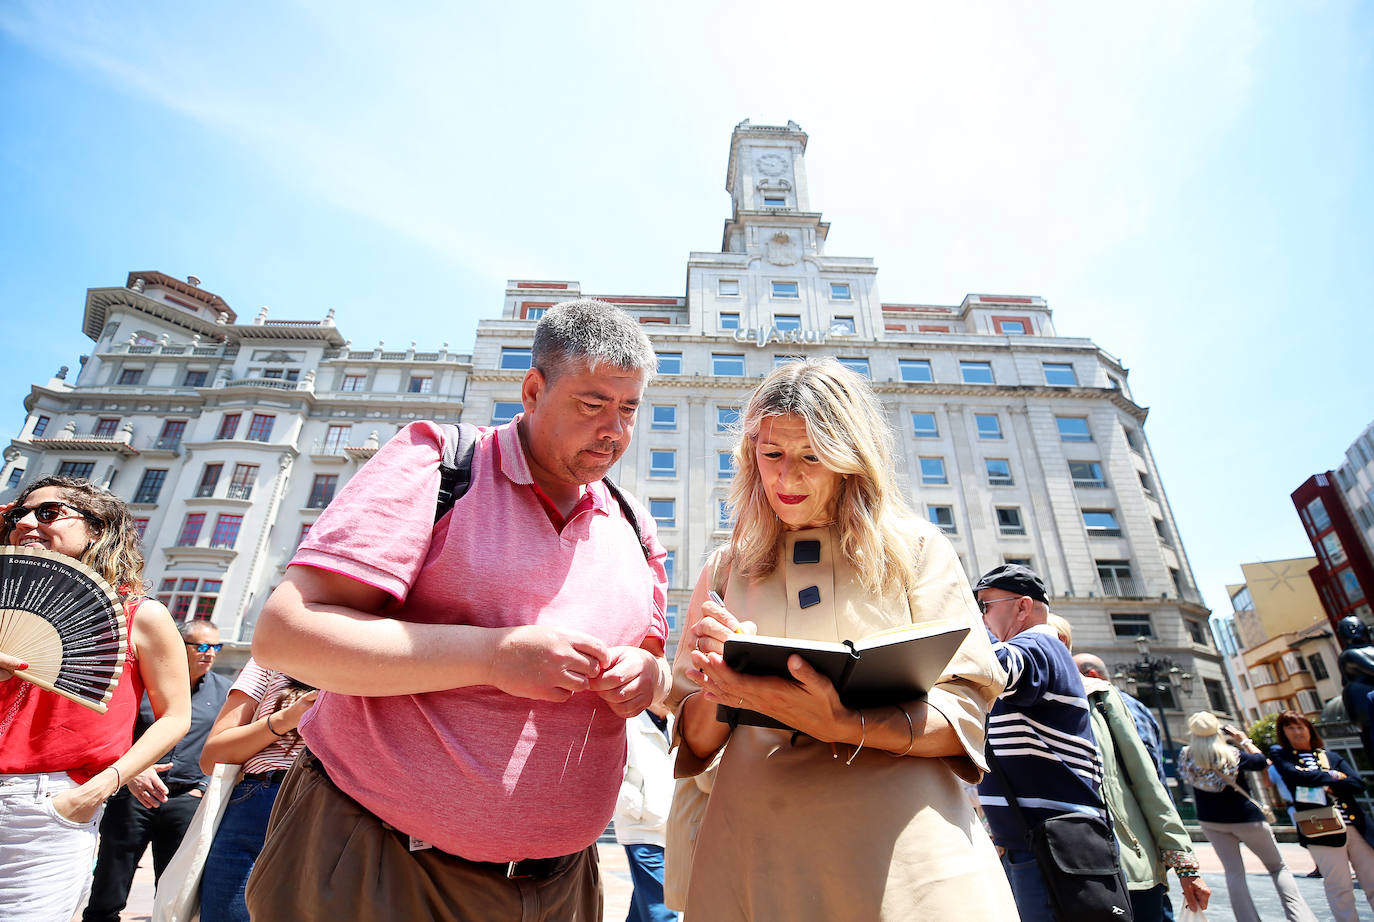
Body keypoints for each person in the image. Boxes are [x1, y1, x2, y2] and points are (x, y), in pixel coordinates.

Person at [246, 298, 669, 921]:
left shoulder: (633, 519)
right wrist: (492, 656)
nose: (614, 430)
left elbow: (655, 659)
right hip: (380, 864)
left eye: (629, 408)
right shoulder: (438, 462)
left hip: (561, 885)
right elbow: (288, 635)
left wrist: (650, 675)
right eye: (593, 404)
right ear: (532, 389)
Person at [673, 358, 1014, 920]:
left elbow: (966, 712)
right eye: (772, 454)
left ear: (851, 458)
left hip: (905, 861)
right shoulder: (724, 569)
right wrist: (719, 687)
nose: (787, 478)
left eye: (812, 456)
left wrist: (843, 724)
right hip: (753, 854)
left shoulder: (918, 551)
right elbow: (691, 739)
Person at [0, 476, 192, 922]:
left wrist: (105, 784)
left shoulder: (140, 615)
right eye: (17, 515)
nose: (27, 522)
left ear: (98, 529)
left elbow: (175, 715)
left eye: (48, 513)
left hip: (46, 805)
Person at [972, 563, 1112, 922]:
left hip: (1053, 846)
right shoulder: (1038, 648)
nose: (980, 615)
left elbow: (995, 667)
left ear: (1022, 606)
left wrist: (953, 607)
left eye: (984, 605)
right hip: (1039, 843)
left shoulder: (1040, 643)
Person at [83, 619, 233, 922]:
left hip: (185, 798)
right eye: (202, 646)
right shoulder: (145, 683)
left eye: (216, 646)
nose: (210, 653)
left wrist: (201, 787)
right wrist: (133, 769)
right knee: (110, 882)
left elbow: (225, 743)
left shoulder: (224, 692)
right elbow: (114, 731)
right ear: (180, 646)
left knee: (174, 890)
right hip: (132, 794)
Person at [1074, 653, 1209, 920]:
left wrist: (1183, 861)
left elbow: (1147, 778)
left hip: (1132, 850)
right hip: (1120, 852)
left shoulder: (1107, 702)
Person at [196, 658, 318, 922]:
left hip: (335, 810)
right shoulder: (271, 658)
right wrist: (286, 718)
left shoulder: (382, 656)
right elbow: (212, 757)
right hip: (258, 802)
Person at [1177, 711, 1316, 922]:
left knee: (1234, 873)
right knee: (1278, 867)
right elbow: (1261, 762)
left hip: (1211, 821)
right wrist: (1244, 740)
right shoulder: (1231, 753)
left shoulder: (1186, 755)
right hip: (1246, 818)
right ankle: (1300, 917)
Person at [1270, 709, 1374, 922]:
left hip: (1355, 825)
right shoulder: (1282, 755)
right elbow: (1294, 776)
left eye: (1300, 726)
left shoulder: (1331, 756)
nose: (1297, 732)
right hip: (1319, 827)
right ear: (1283, 732)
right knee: (1339, 886)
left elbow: (1357, 784)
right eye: (1290, 728)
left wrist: (1319, 779)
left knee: (1372, 880)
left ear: (1309, 728)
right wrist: (1333, 777)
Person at [614, 701, 677, 922]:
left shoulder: (674, 724)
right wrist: (636, 805)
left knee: (643, 910)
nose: (672, 694)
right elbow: (611, 770)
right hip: (641, 828)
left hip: (667, 830)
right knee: (663, 908)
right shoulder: (628, 724)